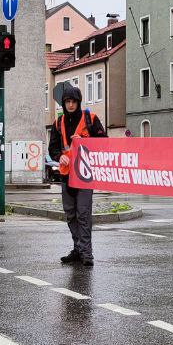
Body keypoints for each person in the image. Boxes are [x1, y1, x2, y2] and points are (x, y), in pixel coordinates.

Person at [49, 84, 106, 266]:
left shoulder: (91, 119)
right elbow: (52, 148)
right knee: (70, 214)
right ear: (64, 103)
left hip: (85, 175)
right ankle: (78, 248)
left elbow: (104, 143)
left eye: (74, 101)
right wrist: (59, 157)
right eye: (68, 101)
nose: (71, 105)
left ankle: (87, 253)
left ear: (79, 102)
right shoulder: (58, 123)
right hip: (66, 175)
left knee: (83, 214)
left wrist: (85, 142)